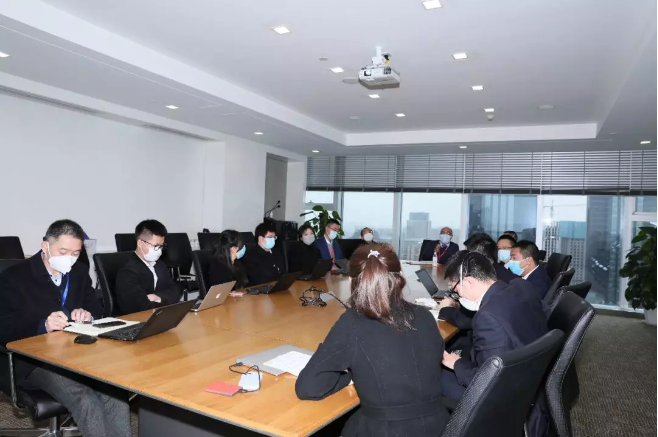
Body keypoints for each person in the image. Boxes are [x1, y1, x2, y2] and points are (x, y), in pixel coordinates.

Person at [296, 244, 450, 436]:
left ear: (351, 280)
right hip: (441, 427)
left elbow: (308, 388)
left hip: (385, 430)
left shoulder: (352, 323)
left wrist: (350, 375)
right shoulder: (425, 316)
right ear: (401, 275)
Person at [0, 220, 131, 437]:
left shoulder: (78, 272)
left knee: (115, 395)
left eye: (75, 253)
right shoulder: (13, 277)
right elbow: (3, 326)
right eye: (63, 251)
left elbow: (96, 308)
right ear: (45, 246)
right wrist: (42, 325)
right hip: (33, 360)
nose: (69, 258)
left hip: (76, 353)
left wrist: (87, 315)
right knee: (85, 400)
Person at [440, 251, 548, 402]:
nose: (458, 295)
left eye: (455, 290)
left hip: (507, 393)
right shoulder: (520, 286)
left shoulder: (487, 317)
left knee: (434, 376)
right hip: (533, 373)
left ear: (469, 282)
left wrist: (456, 363)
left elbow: (489, 380)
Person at [115, 220, 182, 315]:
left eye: (161, 246)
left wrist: (157, 297)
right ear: (140, 243)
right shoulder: (128, 271)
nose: (159, 251)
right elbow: (140, 307)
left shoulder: (159, 265)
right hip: (137, 319)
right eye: (156, 246)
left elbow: (175, 291)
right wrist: (166, 300)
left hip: (159, 315)